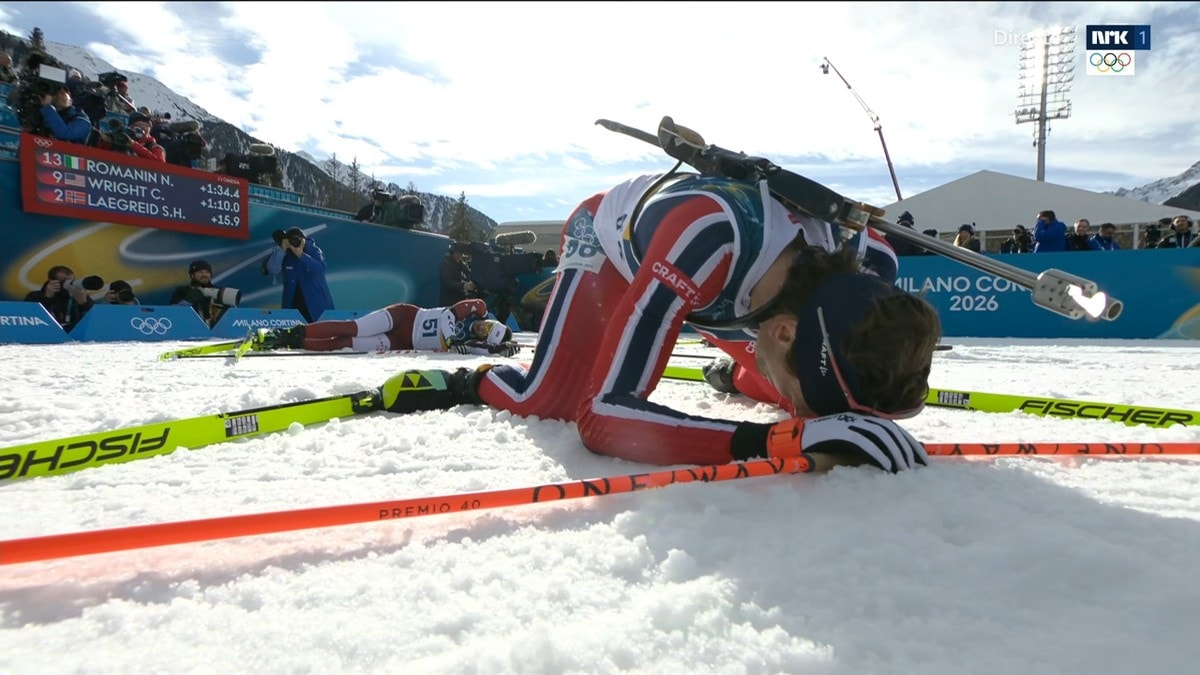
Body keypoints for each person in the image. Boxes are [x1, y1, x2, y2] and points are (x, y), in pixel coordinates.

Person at [378, 170, 942, 475]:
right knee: (549, 401)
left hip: (733, 291)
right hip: (618, 250)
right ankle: (474, 381)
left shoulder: (876, 263)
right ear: (783, 331)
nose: (795, 408)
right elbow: (602, 417)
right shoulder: (706, 238)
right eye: (796, 397)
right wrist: (780, 437)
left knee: (807, 384)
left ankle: (738, 375)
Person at [253, 299, 521, 356]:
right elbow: (449, 315)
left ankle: (290, 342)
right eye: (487, 325)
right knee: (352, 328)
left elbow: (480, 351)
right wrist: (451, 340)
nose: (482, 328)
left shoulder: (473, 344)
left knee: (345, 344)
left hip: (403, 342)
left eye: (487, 333)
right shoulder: (474, 311)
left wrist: (499, 350)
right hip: (405, 317)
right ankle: (290, 331)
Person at [264, 227, 335, 322]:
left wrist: (301, 255)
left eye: (298, 240)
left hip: (316, 305)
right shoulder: (287, 254)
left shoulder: (313, 250)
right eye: (292, 240)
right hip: (293, 304)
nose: (296, 243)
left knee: (319, 330)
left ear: (304, 239)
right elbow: (273, 268)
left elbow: (319, 269)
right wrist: (282, 250)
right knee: (294, 330)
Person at [24, 265, 98, 331]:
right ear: (51, 281)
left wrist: (84, 304)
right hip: (47, 334)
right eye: (64, 281)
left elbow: (94, 320)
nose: (69, 284)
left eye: (72, 281)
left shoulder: (78, 296)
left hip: (75, 336)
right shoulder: (35, 296)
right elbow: (31, 319)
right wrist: (48, 298)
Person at [169, 259, 240, 328]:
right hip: (190, 330)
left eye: (207, 272)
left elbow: (235, 316)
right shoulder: (182, 292)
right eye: (200, 272)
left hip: (219, 332)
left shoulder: (219, 293)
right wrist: (188, 301)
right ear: (192, 275)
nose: (204, 275)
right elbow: (171, 315)